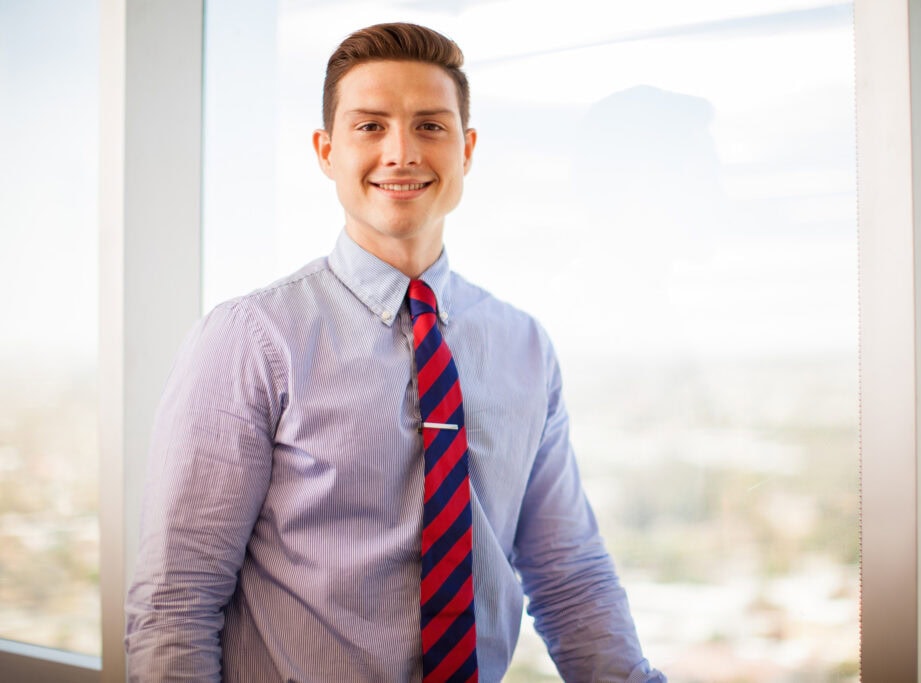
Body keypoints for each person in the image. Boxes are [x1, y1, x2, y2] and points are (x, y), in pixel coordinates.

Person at [125, 22, 663, 682]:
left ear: (466, 149)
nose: (402, 152)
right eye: (370, 126)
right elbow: (175, 602)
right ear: (326, 151)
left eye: (430, 126)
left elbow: (570, 577)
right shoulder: (251, 337)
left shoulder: (524, 347)